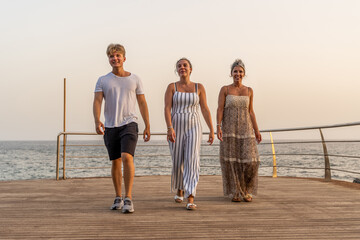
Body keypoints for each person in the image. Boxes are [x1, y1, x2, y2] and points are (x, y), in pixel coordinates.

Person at [93, 43, 150, 213]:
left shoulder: (135, 79)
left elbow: (142, 102)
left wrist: (147, 125)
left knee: (126, 156)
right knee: (116, 160)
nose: (115, 58)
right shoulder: (103, 80)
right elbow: (97, 101)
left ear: (124, 58)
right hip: (111, 125)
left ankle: (128, 197)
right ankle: (118, 196)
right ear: (108, 59)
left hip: (129, 123)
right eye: (111, 56)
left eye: (118, 56)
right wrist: (97, 120)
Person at [164, 58, 214, 210]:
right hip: (176, 126)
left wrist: (212, 129)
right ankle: (180, 188)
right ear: (177, 70)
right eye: (179, 66)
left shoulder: (199, 87)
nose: (182, 68)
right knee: (177, 160)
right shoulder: (172, 87)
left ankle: (190, 196)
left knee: (192, 159)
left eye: (185, 65)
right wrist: (169, 128)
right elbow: (167, 108)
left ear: (190, 69)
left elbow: (204, 109)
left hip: (194, 126)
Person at [216, 59, 261, 202]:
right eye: (235, 71)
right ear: (231, 73)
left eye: (240, 71)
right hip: (229, 128)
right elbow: (220, 109)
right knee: (233, 161)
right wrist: (218, 126)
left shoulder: (249, 90)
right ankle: (236, 191)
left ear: (244, 74)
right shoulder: (225, 89)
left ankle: (247, 190)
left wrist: (257, 130)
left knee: (251, 161)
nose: (238, 74)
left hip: (246, 128)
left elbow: (251, 112)